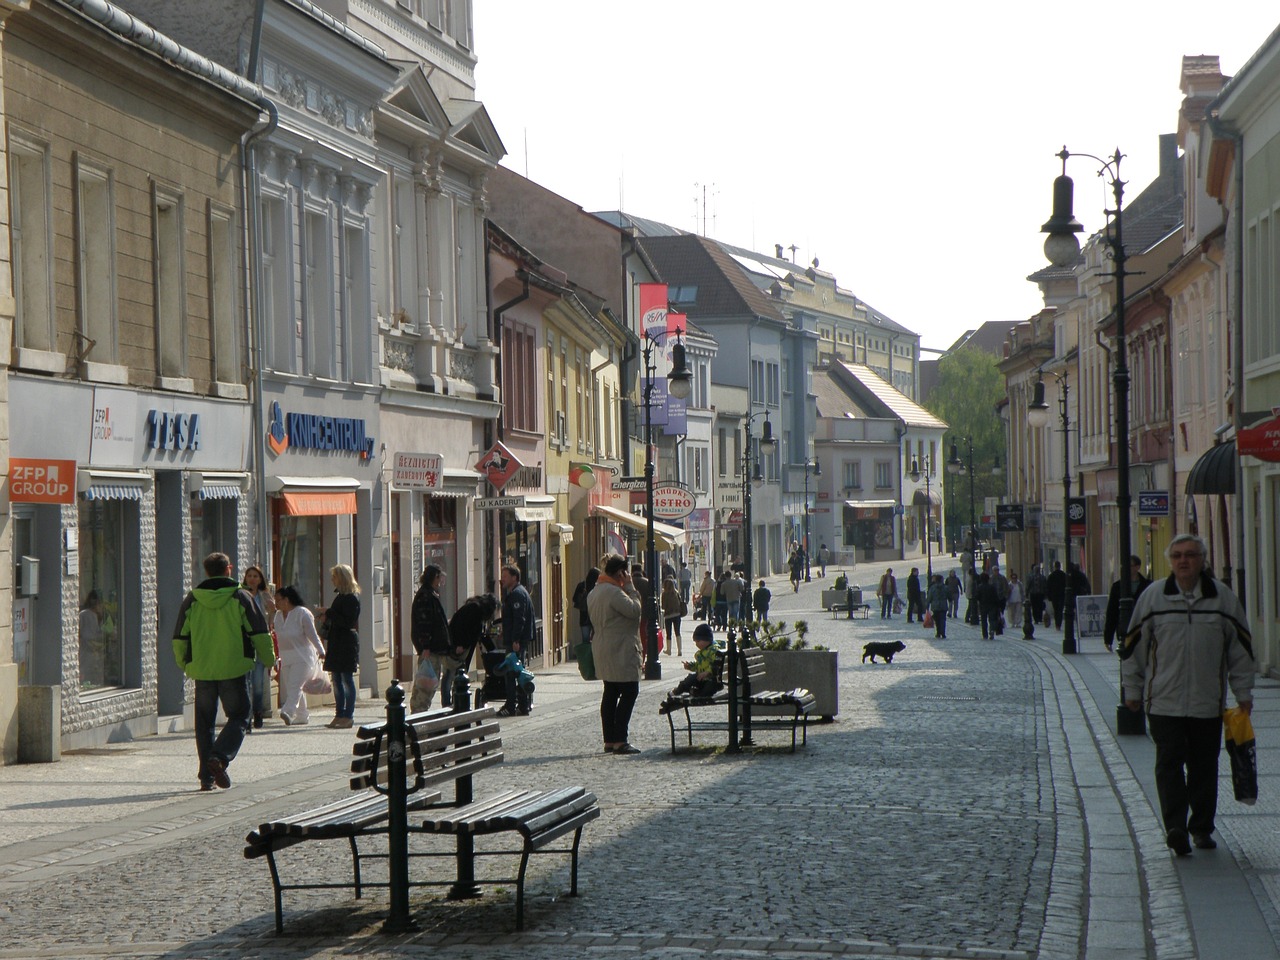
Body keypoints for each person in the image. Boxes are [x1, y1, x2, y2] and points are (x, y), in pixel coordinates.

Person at [1120, 534, 1254, 856]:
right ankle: (1176, 828)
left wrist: (1243, 692)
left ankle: (1202, 828)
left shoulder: (1222, 600)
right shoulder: (1154, 598)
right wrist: (1132, 690)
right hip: (1163, 700)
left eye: (1191, 555)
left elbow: (1240, 650)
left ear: (1202, 560)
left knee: (1204, 767)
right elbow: (1133, 649)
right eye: (1178, 555)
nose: (1184, 561)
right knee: (1168, 764)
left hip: (1207, 702)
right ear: (1170, 561)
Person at [171, 552, 273, 791]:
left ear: (206, 571)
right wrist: (269, 660)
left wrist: (184, 664)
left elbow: (179, 636)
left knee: (204, 723)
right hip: (233, 667)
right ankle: (219, 757)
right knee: (239, 716)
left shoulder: (193, 599)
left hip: (203, 670)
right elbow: (259, 632)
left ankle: (206, 776)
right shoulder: (241, 597)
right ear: (229, 569)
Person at [587, 554, 643, 754]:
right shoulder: (615, 593)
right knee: (629, 691)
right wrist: (631, 589)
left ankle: (609, 739)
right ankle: (620, 739)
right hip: (620, 649)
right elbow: (635, 611)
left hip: (603, 647)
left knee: (610, 691)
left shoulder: (595, 591)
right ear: (621, 572)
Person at [271, 585, 325, 726]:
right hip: (286, 656)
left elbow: (312, 635)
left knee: (295, 685)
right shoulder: (277, 616)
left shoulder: (302, 613)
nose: (276, 603)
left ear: (287, 600)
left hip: (303, 656)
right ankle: (302, 715)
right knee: (293, 686)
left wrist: (321, 650)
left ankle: (288, 710)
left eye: (278, 600)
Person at [317, 564, 361, 729]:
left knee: (346, 679)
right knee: (336, 679)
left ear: (342, 578)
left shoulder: (351, 597)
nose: (332, 580)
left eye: (334, 576)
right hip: (336, 641)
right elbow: (337, 619)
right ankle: (339, 714)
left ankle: (348, 715)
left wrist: (329, 612)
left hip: (346, 642)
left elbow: (348, 621)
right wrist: (327, 616)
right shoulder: (340, 596)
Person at [410, 564, 454, 712]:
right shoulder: (425, 596)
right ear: (434, 577)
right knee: (426, 685)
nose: (441, 581)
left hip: (433, 648)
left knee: (428, 683)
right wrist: (426, 646)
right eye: (440, 577)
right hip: (429, 650)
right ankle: (418, 715)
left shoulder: (430, 594)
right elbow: (424, 623)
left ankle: (419, 713)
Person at [241, 566, 276, 728]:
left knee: (258, 681)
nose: (252, 579)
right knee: (245, 681)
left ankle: (258, 712)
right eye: (250, 576)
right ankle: (246, 716)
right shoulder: (241, 594)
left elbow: (271, 619)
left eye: (256, 576)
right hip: (245, 641)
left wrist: (272, 610)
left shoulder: (264, 596)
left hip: (260, 641)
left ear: (261, 579)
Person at [498, 564, 535, 717]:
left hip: (516, 642)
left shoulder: (517, 594)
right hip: (516, 639)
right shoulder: (516, 593)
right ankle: (522, 705)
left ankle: (512, 706)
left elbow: (519, 619)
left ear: (514, 577)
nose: (502, 579)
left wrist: (515, 640)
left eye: (505, 576)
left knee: (513, 673)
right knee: (518, 673)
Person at [1104, 554, 1152, 653]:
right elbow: (1111, 612)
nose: (1126, 569)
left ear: (1137, 567)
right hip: (1125, 630)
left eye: (1129, 566)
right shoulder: (1117, 587)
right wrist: (1108, 638)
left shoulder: (1148, 585)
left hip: (1144, 629)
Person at [668, 623, 722, 699]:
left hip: (712, 680)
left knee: (707, 689)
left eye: (698, 641)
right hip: (702, 679)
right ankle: (679, 689)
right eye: (695, 642)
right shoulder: (702, 652)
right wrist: (691, 666)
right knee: (691, 678)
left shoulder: (713, 651)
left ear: (707, 640)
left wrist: (707, 672)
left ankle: (695, 692)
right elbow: (699, 665)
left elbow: (717, 665)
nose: (696, 644)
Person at [79, 590, 105, 687]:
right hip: (88, 645)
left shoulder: (87, 614)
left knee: (88, 665)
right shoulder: (86, 614)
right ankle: (86, 683)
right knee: (87, 665)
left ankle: (87, 683)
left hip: (90, 645)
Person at [572, 567, 600, 644]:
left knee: (585, 640)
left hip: (584, 617)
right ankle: (593, 655)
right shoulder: (597, 587)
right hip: (595, 617)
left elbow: (574, 599)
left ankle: (586, 655)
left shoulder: (581, 585)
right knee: (596, 640)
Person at [661, 576, 684, 656]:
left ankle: (669, 650)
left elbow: (663, 606)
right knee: (677, 632)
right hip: (677, 614)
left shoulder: (664, 594)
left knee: (669, 633)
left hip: (668, 616)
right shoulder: (676, 592)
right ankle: (679, 650)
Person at [976, 572, 1002, 639]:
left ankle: (985, 634)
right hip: (992, 606)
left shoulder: (979, 587)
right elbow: (996, 597)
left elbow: (977, 597)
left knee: (984, 620)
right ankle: (992, 631)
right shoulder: (992, 587)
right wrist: (999, 605)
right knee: (992, 619)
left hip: (983, 606)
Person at [925, 574, 949, 638]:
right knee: (943, 620)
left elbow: (929, 597)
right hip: (943, 605)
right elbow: (949, 596)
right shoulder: (945, 587)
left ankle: (938, 633)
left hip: (935, 606)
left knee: (937, 620)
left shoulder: (932, 588)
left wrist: (927, 606)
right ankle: (943, 633)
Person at [1026, 563, 1048, 628]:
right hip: (1039, 594)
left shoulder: (1031, 577)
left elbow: (1028, 585)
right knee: (1039, 606)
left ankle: (1036, 619)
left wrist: (1027, 593)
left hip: (1034, 594)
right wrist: (1045, 594)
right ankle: (1039, 618)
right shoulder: (1042, 577)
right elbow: (1045, 586)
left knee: (1035, 606)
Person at [1046, 561, 1067, 628]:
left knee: (1056, 609)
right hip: (1062, 595)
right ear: (1059, 566)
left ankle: (1057, 624)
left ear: (1054, 566)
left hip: (1054, 595)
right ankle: (1059, 623)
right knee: (1060, 610)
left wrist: (1049, 596)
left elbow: (1048, 587)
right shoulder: (1063, 575)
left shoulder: (1051, 575)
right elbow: (1066, 585)